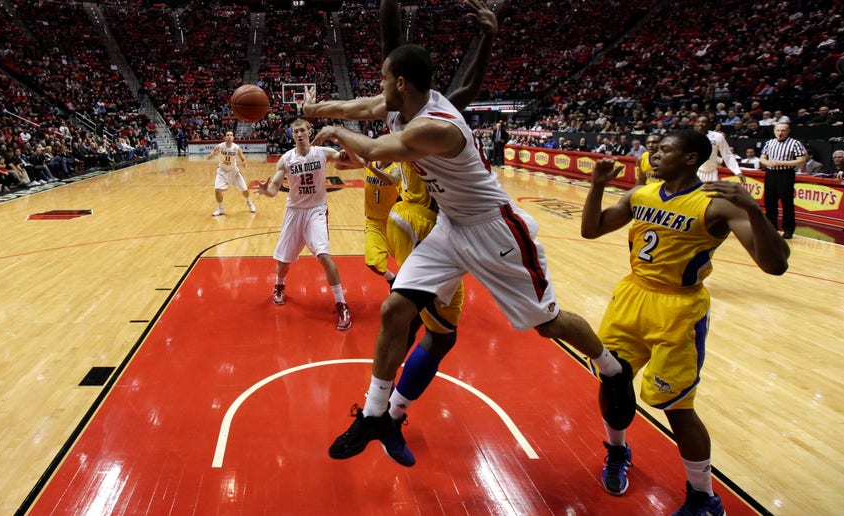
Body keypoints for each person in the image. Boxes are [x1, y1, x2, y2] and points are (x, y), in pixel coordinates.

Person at [304, 43, 634, 466]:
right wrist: (318, 110)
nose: (380, 86)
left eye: (384, 78)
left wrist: (332, 133)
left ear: (401, 84)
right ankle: (374, 416)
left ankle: (610, 366)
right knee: (394, 311)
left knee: (547, 323)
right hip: (450, 227)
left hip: (494, 229)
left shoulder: (437, 126)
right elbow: (356, 107)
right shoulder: (401, 105)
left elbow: (371, 151)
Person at [580, 130, 789, 516]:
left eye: (665, 151)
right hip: (630, 297)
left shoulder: (716, 204)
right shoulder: (640, 194)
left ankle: (703, 497)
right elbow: (591, 230)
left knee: (677, 408)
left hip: (678, 310)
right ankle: (617, 450)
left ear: (691, 158)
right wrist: (596, 187)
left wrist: (756, 211)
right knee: (613, 381)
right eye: (654, 150)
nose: (654, 155)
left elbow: (775, 265)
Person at [254, 118, 352, 331]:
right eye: (295, 131)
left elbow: (346, 159)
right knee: (283, 260)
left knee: (324, 255)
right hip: (294, 211)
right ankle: (279, 287)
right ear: (292, 135)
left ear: (310, 132)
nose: (299, 134)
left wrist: (343, 143)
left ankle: (342, 303)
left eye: (302, 130)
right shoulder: (286, 159)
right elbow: (274, 189)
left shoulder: (322, 153)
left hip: (316, 210)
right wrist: (266, 191)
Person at [759, 123, 808, 239]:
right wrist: (767, 163)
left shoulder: (795, 143)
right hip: (770, 174)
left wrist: (780, 162)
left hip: (785, 174)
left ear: (788, 131)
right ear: (774, 131)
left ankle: (788, 229)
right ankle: (771, 227)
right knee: (769, 202)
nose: (780, 133)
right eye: (777, 130)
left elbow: (801, 160)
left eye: (783, 131)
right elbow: (762, 157)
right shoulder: (769, 142)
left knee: (787, 203)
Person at [207, 131, 255, 216]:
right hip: (222, 171)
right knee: (217, 190)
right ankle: (220, 208)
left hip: (233, 171)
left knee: (245, 190)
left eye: (231, 135)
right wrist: (212, 155)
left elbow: (242, 158)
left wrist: (244, 162)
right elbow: (209, 158)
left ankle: (249, 202)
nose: (229, 136)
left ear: (233, 138)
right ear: (225, 137)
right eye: (227, 135)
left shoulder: (236, 148)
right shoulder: (220, 147)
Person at [694, 116, 745, 183]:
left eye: (703, 122)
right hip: (696, 172)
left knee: (712, 193)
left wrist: (737, 171)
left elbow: (727, 155)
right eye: (699, 122)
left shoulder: (717, 136)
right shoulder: (692, 137)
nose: (700, 124)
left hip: (712, 172)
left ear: (708, 124)